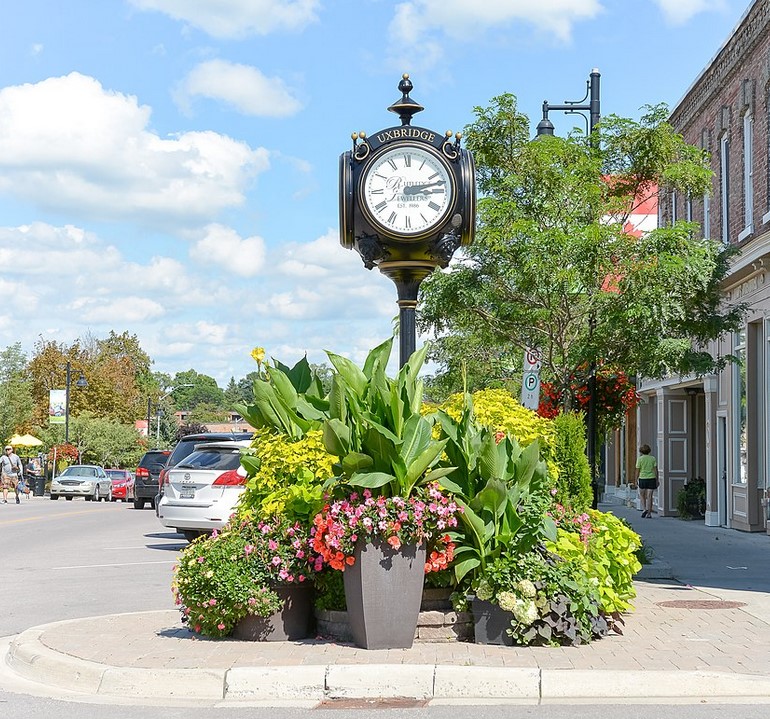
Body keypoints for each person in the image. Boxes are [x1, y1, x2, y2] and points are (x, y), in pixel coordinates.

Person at [635, 443, 658, 518]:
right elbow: (655, 470)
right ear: (649, 451)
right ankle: (649, 513)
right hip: (651, 478)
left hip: (642, 478)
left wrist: (636, 479)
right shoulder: (653, 458)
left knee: (642, 495)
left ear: (641, 451)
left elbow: (637, 470)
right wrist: (657, 479)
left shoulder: (640, 459)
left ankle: (644, 509)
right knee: (650, 496)